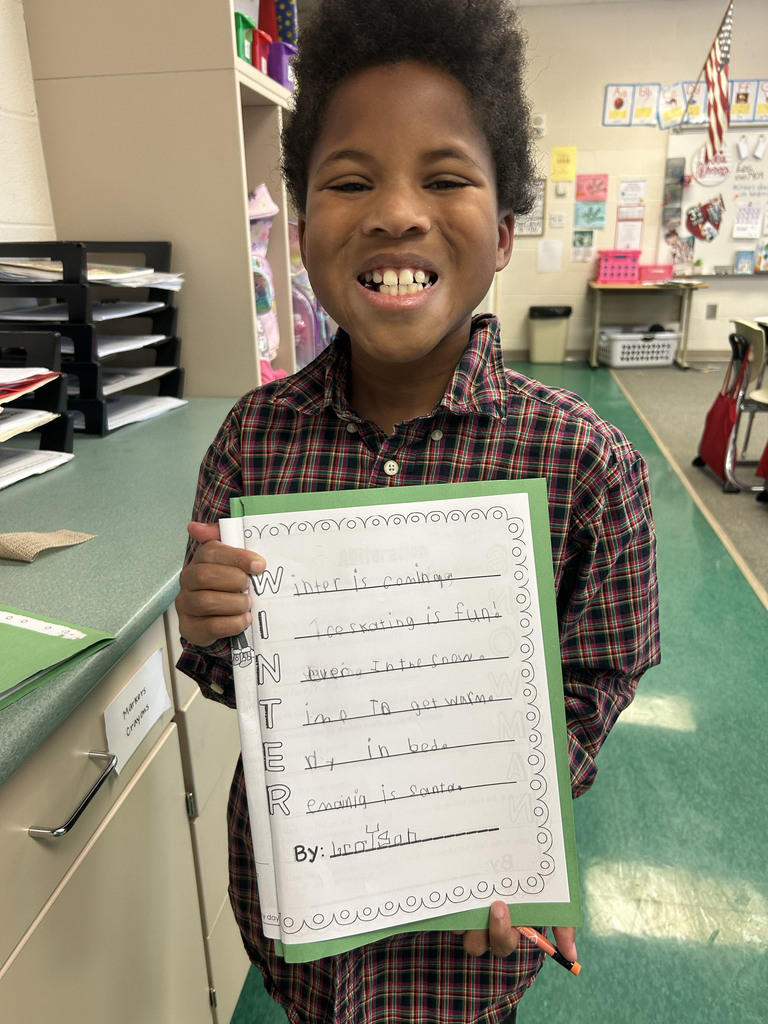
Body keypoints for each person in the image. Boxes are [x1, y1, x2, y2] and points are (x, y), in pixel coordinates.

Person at [175, 0, 661, 1021]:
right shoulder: (253, 441)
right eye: (351, 181)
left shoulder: (587, 463)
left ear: (507, 229)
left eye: (445, 177)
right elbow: (241, 683)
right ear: (301, 233)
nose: (397, 211)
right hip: (300, 920)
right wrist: (209, 617)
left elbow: (599, 672)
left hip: (468, 950)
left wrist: (516, 823)